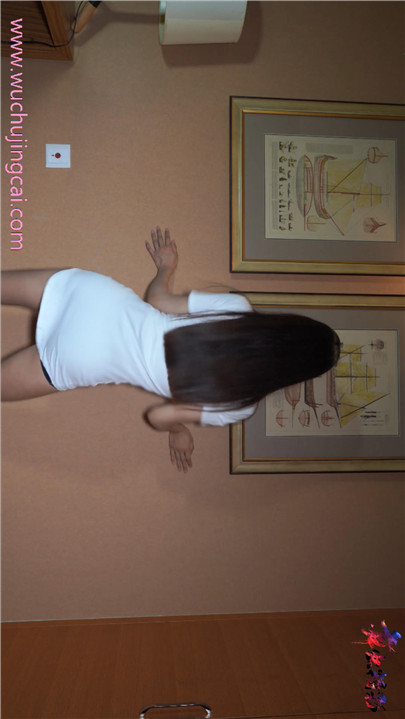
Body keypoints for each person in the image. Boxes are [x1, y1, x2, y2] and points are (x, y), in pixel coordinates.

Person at [1, 227, 340, 472]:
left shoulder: (237, 308)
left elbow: (158, 301)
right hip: (83, 356)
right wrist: (179, 432)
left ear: (290, 325)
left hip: (95, 298)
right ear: (295, 374)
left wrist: (166, 269)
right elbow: (158, 417)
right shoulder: (239, 405)